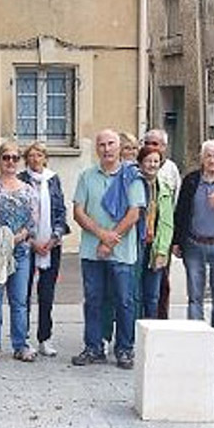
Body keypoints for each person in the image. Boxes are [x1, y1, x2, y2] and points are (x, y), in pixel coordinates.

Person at [71, 129, 145, 370]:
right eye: (102, 144)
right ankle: (94, 347)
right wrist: (102, 235)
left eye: (111, 143)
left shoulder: (132, 177)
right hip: (91, 252)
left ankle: (124, 349)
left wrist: (110, 241)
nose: (107, 149)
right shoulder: (86, 176)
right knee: (93, 300)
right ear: (97, 149)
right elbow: (78, 212)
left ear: (119, 147)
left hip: (122, 253)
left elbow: (134, 213)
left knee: (124, 301)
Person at [172, 139, 214, 359]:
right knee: (195, 295)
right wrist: (177, 241)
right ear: (202, 158)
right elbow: (181, 212)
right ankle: (195, 338)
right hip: (194, 244)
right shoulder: (191, 180)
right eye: (208, 155)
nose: (212, 160)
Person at [0, 141, 37, 362]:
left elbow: (33, 221)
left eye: (15, 158)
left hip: (20, 251)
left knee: (19, 301)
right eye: (6, 157)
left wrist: (17, 237)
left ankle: (20, 345)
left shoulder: (28, 190)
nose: (11, 162)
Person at [18, 141, 68, 357]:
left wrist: (54, 238)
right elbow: (19, 214)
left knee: (46, 295)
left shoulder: (53, 179)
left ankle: (45, 338)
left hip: (51, 245)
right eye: (31, 155)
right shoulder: (20, 180)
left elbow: (60, 210)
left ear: (45, 158)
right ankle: (23, 339)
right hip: (27, 244)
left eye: (39, 155)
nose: (35, 159)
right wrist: (32, 240)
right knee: (23, 294)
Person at [143, 129, 182, 320]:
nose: (151, 147)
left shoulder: (171, 169)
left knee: (160, 285)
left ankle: (160, 322)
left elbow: (175, 204)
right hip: (139, 238)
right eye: (147, 143)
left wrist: (172, 241)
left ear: (164, 147)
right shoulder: (137, 169)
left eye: (155, 144)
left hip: (161, 237)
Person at [137, 145, 175, 319]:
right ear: (140, 163)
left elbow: (167, 223)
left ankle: (150, 330)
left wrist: (162, 251)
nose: (152, 165)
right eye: (148, 161)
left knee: (152, 296)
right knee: (133, 294)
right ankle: (133, 331)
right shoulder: (133, 185)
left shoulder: (165, 188)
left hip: (155, 246)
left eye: (156, 161)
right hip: (136, 246)